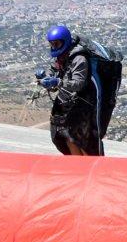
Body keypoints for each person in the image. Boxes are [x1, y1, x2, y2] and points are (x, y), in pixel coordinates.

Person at [39, 25, 102, 156]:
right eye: (52, 44)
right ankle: (77, 168)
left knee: (82, 142)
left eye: (57, 44)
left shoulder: (79, 59)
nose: (54, 47)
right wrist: (45, 78)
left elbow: (79, 83)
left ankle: (89, 168)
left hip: (81, 106)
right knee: (67, 139)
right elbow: (53, 71)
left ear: (65, 42)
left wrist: (59, 82)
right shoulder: (61, 58)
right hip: (66, 104)